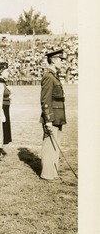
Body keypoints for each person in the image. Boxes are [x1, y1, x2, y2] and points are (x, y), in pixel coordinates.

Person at [40, 49, 67, 181]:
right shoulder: (48, 76)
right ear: (54, 60)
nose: (62, 62)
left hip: (58, 116)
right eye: (61, 60)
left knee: (55, 145)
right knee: (49, 145)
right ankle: (47, 173)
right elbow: (45, 100)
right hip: (52, 116)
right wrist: (48, 119)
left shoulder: (54, 75)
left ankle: (53, 172)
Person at [0, 62, 12, 156]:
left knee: (4, 126)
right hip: (2, 106)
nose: (8, 73)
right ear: (1, 72)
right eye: (6, 71)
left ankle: (1, 147)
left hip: (6, 105)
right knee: (2, 126)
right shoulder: (0, 82)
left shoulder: (3, 81)